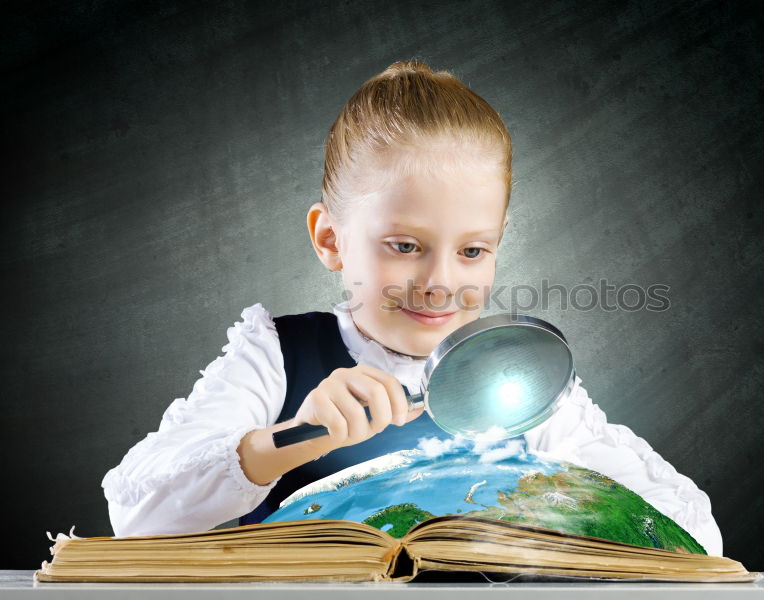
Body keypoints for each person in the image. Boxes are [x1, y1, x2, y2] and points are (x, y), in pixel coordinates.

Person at [101, 60, 724, 557]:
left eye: (473, 250)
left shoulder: (516, 381)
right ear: (331, 240)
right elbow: (137, 513)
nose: (439, 283)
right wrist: (287, 441)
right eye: (404, 246)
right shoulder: (275, 356)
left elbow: (694, 531)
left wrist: (557, 497)